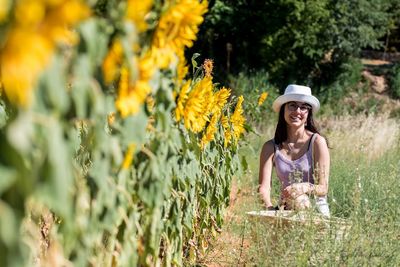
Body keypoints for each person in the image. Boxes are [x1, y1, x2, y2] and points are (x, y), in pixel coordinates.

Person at [258, 84, 330, 217]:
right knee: (295, 200)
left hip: (316, 210)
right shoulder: (270, 147)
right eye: (292, 105)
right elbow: (263, 187)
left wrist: (303, 187)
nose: (297, 111)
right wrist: (269, 209)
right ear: (283, 110)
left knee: (300, 199)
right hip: (286, 207)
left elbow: (323, 188)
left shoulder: (317, 142)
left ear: (308, 114)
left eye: (303, 107)